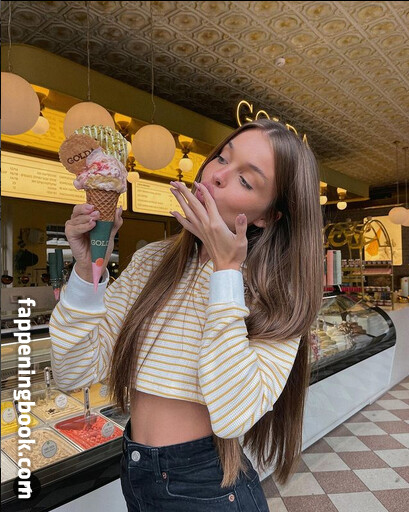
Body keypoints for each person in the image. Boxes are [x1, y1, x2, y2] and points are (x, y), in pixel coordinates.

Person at [49, 119, 323, 511]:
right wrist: (87, 267)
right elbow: (73, 371)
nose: (218, 175)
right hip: (135, 467)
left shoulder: (276, 294)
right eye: (222, 158)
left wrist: (226, 273)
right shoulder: (152, 260)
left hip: (208, 484)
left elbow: (233, 416)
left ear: (268, 216)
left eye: (246, 181)